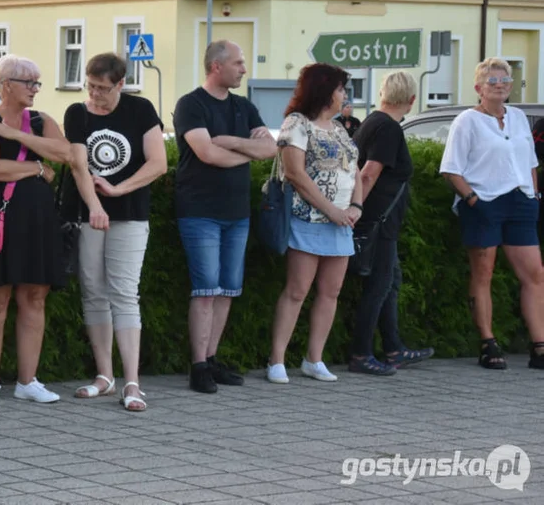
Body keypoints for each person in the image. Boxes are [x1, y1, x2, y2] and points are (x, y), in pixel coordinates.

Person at [0, 55, 73, 405]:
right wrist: (35, 169)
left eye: (37, 82)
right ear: (5, 84)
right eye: (28, 82)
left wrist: (14, 136)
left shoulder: (41, 120)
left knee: (35, 296)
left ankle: (28, 380)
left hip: (38, 217)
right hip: (1, 214)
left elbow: (65, 154)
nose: (34, 89)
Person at [174, 41, 275, 394]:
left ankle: (213, 359)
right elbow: (206, 153)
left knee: (227, 290)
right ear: (216, 66)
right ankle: (198, 365)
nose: (243, 69)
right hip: (200, 211)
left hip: (237, 214)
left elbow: (271, 148)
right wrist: (249, 150)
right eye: (238, 63)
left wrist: (231, 142)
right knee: (205, 290)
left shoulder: (243, 107)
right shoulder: (191, 105)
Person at [66, 53, 165, 412]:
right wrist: (95, 205)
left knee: (124, 293)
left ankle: (132, 383)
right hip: (90, 215)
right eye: (90, 86)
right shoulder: (77, 113)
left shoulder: (140, 110)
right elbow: (78, 164)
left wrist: (118, 190)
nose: (95, 95)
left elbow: (158, 163)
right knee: (93, 291)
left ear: (121, 84)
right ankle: (104, 377)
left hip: (130, 216)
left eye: (103, 89)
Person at [439, 58, 544, 370]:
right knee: (484, 272)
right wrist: (473, 201)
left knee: (535, 273)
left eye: (505, 81)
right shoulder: (467, 122)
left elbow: (530, 163)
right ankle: (487, 342)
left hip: (521, 201)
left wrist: (534, 194)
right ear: (478, 88)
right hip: (484, 202)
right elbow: (451, 170)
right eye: (493, 81)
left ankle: (539, 345)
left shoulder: (519, 118)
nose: (500, 85)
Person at [267, 63, 362, 385]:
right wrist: (331, 210)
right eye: (340, 89)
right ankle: (276, 360)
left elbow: (355, 170)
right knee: (297, 290)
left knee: (330, 292)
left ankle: (314, 359)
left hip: (340, 222)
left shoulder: (339, 128)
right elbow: (295, 173)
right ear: (324, 91)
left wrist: (355, 206)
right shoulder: (297, 124)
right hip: (307, 218)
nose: (344, 96)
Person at [349, 72, 434, 376]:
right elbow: (369, 173)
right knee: (379, 286)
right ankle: (361, 354)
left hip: (380, 221)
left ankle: (394, 348)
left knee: (389, 283)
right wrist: (356, 210)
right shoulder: (388, 129)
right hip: (377, 222)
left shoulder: (372, 121)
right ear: (411, 100)